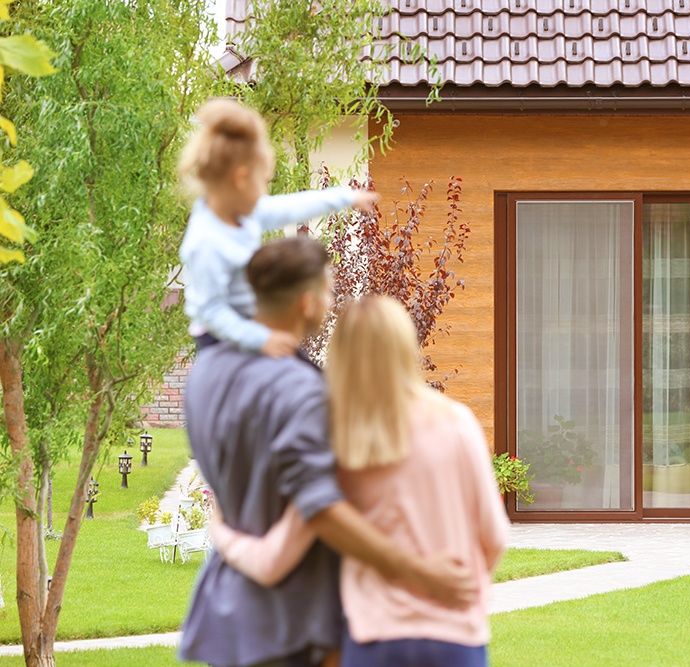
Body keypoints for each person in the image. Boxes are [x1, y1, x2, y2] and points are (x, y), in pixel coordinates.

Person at [180, 238, 476, 667]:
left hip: (228, 616)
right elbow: (319, 506)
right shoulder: (301, 390)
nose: (331, 302)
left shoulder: (205, 373)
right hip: (297, 627)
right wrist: (415, 571)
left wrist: (223, 534)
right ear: (306, 303)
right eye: (328, 292)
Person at [177, 97, 379, 357]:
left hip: (251, 324)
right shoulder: (206, 242)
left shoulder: (244, 213)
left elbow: (290, 207)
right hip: (218, 341)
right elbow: (212, 312)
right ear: (241, 179)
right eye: (264, 181)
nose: (265, 192)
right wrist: (260, 339)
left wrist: (345, 197)